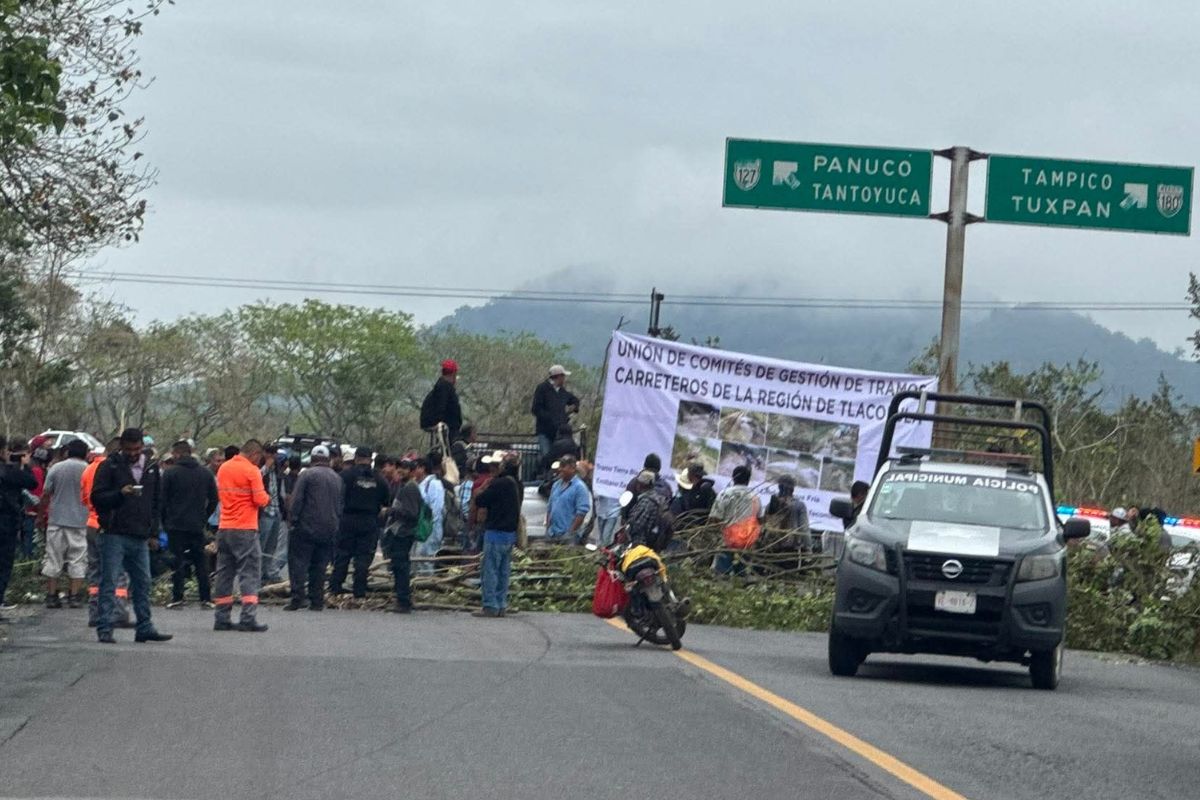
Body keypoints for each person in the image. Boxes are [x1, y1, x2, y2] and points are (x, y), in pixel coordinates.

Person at [90, 428, 172, 644]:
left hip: (140, 535)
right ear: (121, 447)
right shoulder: (110, 466)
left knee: (143, 582)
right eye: (129, 450)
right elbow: (97, 498)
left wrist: (154, 533)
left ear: (142, 447)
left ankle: (144, 626)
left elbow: (156, 504)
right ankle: (105, 627)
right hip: (114, 533)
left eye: (137, 449)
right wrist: (120, 494)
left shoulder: (152, 468)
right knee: (109, 581)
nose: (134, 454)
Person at [213, 439, 270, 632]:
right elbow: (260, 500)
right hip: (245, 528)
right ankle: (248, 618)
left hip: (224, 527)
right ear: (254, 454)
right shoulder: (251, 471)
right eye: (258, 458)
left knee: (224, 574)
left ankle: (221, 618)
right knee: (250, 573)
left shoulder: (224, 468)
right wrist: (268, 497)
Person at [285, 445, 342, 611]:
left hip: (306, 527)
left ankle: (297, 598)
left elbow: (297, 500)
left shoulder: (307, 475)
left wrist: (293, 520)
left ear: (311, 459)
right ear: (327, 459)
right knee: (320, 565)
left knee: (299, 563)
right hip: (329, 528)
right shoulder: (336, 478)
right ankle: (317, 600)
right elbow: (339, 504)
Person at [161, 439, 218, 609]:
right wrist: (204, 516)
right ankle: (205, 598)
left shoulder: (170, 474)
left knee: (177, 561)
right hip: (196, 524)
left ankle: (178, 597)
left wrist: (165, 520)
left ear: (177, 454)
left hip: (175, 524)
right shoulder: (205, 473)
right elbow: (214, 499)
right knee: (200, 561)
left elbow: (162, 501)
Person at [82, 438, 129, 627]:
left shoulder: (88, 470)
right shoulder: (116, 471)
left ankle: (95, 613)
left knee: (95, 572)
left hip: (91, 523)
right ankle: (117, 613)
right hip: (110, 525)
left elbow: (84, 498)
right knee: (118, 572)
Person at [331, 446, 389, 598]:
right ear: (370, 459)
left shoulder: (345, 476)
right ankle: (359, 590)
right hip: (369, 521)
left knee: (343, 554)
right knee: (363, 558)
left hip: (348, 519)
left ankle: (335, 587)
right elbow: (386, 500)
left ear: (356, 458)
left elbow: (337, 496)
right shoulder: (379, 479)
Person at [40, 439, 91, 609]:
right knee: (78, 559)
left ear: (68, 452)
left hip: (57, 520)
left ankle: (51, 596)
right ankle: (74, 596)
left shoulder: (56, 468)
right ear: (86, 453)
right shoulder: (89, 470)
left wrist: (41, 516)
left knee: (53, 558)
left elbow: (46, 494)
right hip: (80, 522)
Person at [473, 452, 522, 618]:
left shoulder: (498, 484)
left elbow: (480, 500)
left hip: (495, 532)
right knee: (503, 571)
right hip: (510, 534)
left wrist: (484, 487)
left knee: (490, 571)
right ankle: (501, 604)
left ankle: (490, 605)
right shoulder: (515, 483)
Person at [0, 437, 38, 621]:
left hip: (7, 521)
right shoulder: (8, 472)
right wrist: (22, 464)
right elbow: (32, 482)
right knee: (4, 563)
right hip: (5, 523)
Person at [384, 455, 428, 614]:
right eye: (400, 468)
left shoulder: (410, 488)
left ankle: (403, 601)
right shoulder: (405, 486)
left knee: (401, 566)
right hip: (400, 532)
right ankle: (401, 598)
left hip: (404, 533)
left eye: (405, 468)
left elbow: (411, 513)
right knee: (398, 565)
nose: (401, 471)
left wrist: (391, 511)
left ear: (412, 471)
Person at [709, 465, 761, 575]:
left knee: (722, 576)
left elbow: (714, 518)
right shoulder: (755, 497)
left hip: (726, 542)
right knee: (742, 578)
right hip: (746, 544)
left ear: (733, 477)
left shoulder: (724, 494)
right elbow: (760, 520)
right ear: (748, 479)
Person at [531, 365, 579, 460]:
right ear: (558, 376)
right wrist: (551, 418)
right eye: (563, 376)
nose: (564, 379)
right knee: (546, 457)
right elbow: (536, 409)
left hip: (558, 433)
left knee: (558, 458)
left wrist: (574, 406)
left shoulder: (561, 391)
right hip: (545, 431)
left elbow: (574, 399)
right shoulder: (542, 389)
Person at [546, 455, 592, 544]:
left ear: (573, 469)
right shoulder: (556, 485)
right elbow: (550, 507)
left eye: (563, 466)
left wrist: (570, 533)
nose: (560, 469)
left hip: (568, 537)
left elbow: (581, 513)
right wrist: (548, 528)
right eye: (560, 466)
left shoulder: (580, 487)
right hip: (552, 534)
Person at [258, 444, 286, 584]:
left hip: (276, 511)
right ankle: (257, 574)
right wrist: (266, 467)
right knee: (261, 544)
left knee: (272, 545)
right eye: (269, 452)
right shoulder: (260, 468)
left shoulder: (277, 470)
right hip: (265, 512)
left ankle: (267, 572)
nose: (272, 456)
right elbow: (257, 478)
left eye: (274, 453)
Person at [415, 453, 446, 575]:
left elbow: (437, 508)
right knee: (419, 557)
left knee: (427, 556)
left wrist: (429, 525)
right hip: (420, 527)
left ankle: (427, 582)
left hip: (430, 527)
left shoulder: (434, 484)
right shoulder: (420, 484)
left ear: (422, 468)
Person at [420, 359, 463, 444]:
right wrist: (440, 424)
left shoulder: (444, 386)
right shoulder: (443, 387)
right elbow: (440, 407)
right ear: (453, 373)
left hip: (451, 426)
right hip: (447, 426)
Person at [765, 475, 812, 552]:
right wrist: (808, 548)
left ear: (779, 487)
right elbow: (804, 529)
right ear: (793, 489)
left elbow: (765, 525)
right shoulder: (799, 505)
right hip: (791, 548)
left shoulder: (771, 504)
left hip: (771, 547)